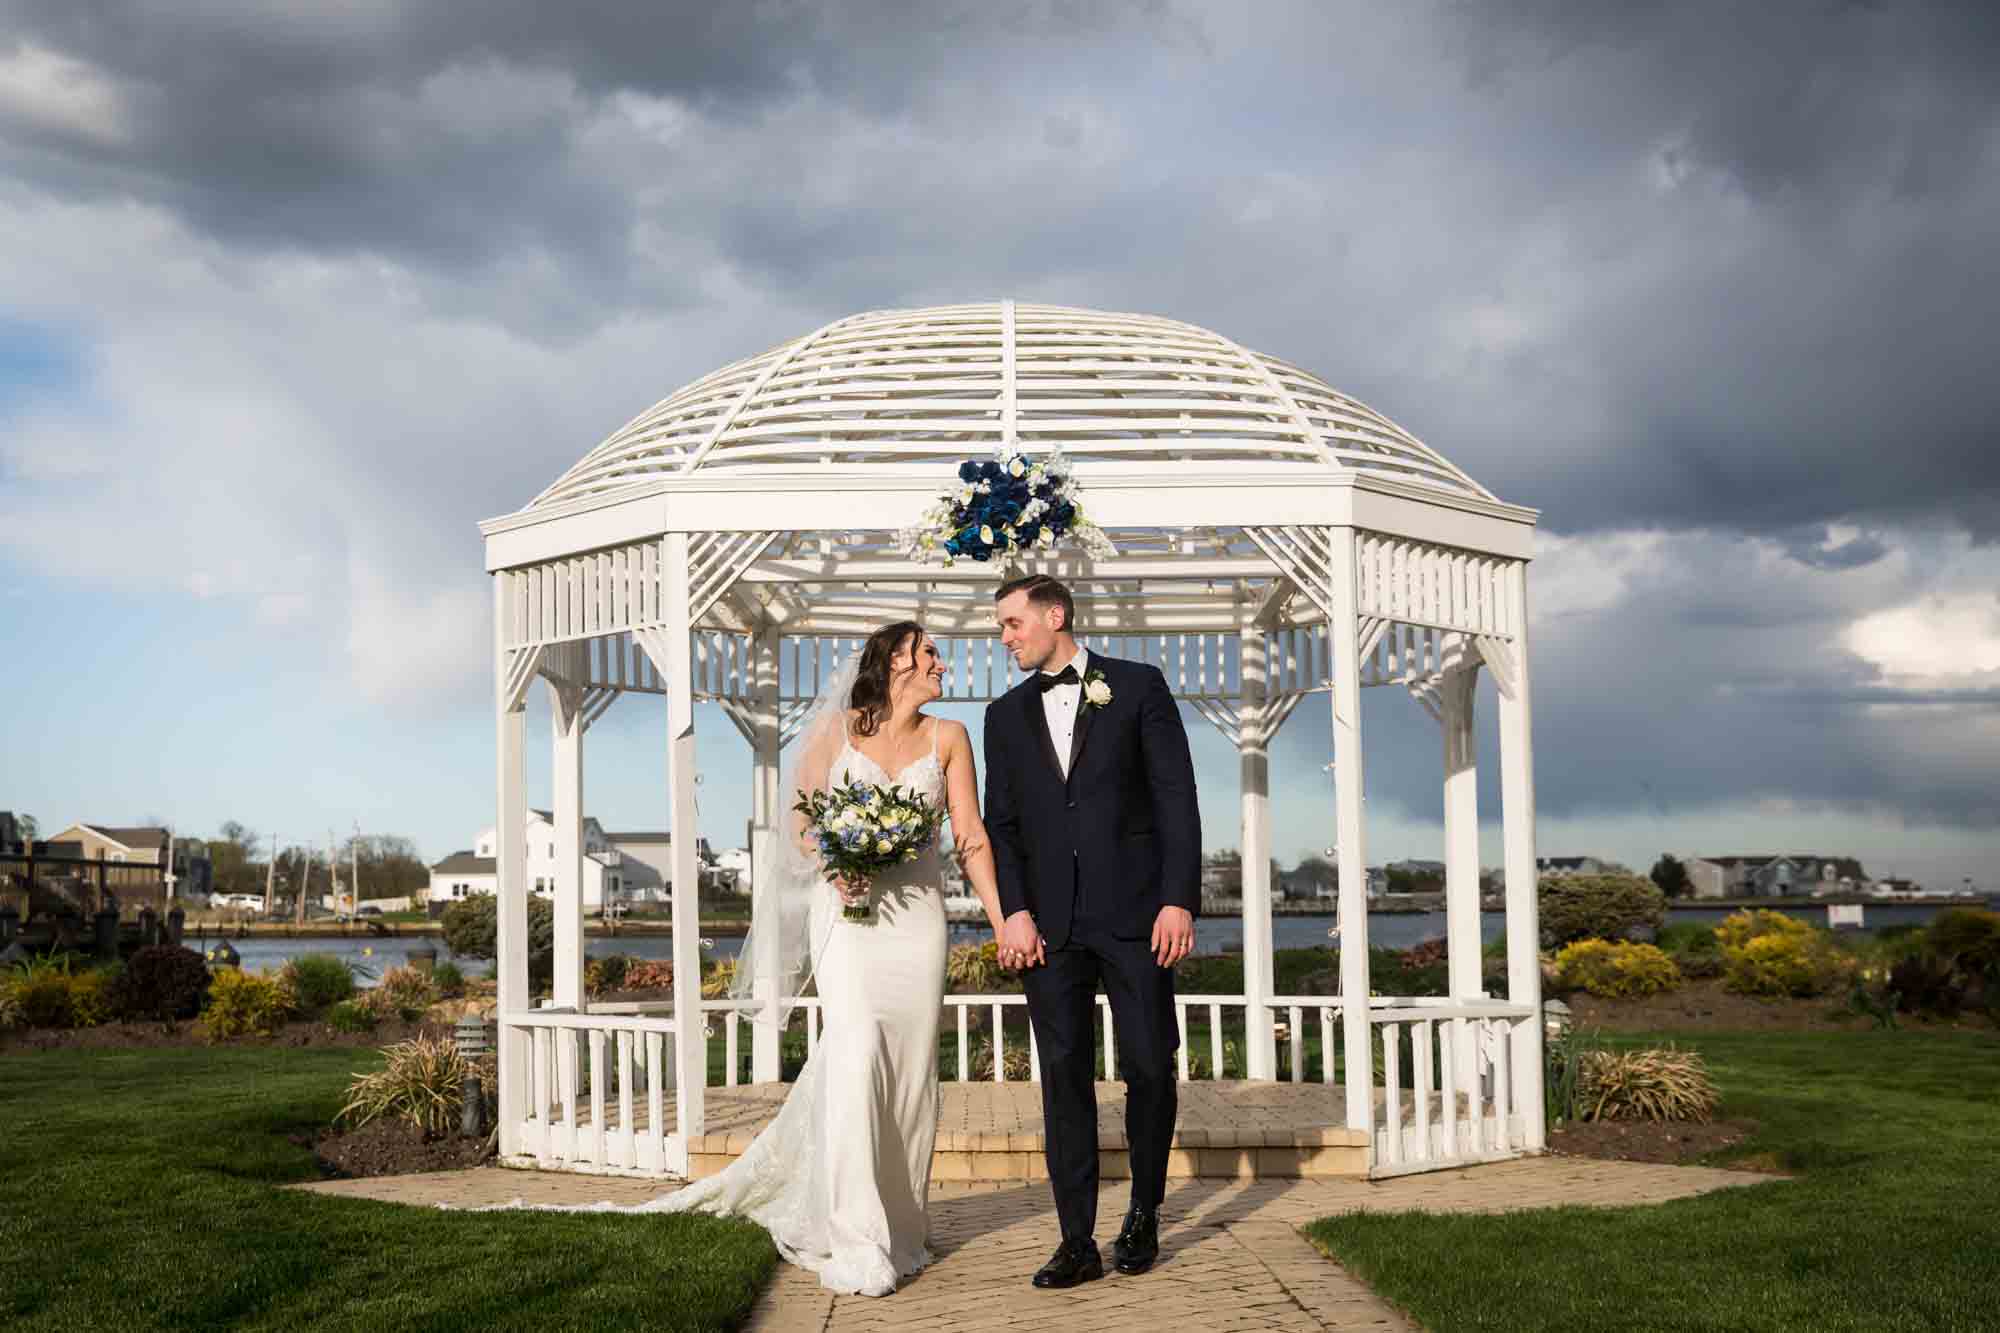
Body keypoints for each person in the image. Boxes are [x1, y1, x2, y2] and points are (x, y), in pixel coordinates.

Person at [574, 620, 1009, 1298]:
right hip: (848, 916)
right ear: (895, 658)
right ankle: (856, 1234)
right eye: (928, 653)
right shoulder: (838, 731)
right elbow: (802, 824)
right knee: (858, 1051)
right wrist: (834, 863)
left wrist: (1002, 917)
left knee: (911, 1074)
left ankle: (900, 1224)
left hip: (918, 923)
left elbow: (971, 836)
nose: (939, 665)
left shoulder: (950, 737)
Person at [982, 573, 1201, 1288]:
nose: (1006, 635)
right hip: (1049, 929)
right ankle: (1076, 1238)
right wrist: (1013, 909)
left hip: (1138, 917)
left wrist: (1179, 899)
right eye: (1002, 626)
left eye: (1014, 622)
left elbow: (1176, 798)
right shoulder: (1003, 716)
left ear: (1056, 614)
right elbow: (1003, 826)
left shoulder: (1138, 687)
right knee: (1063, 1079)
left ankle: (1143, 1211)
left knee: (1147, 1064)